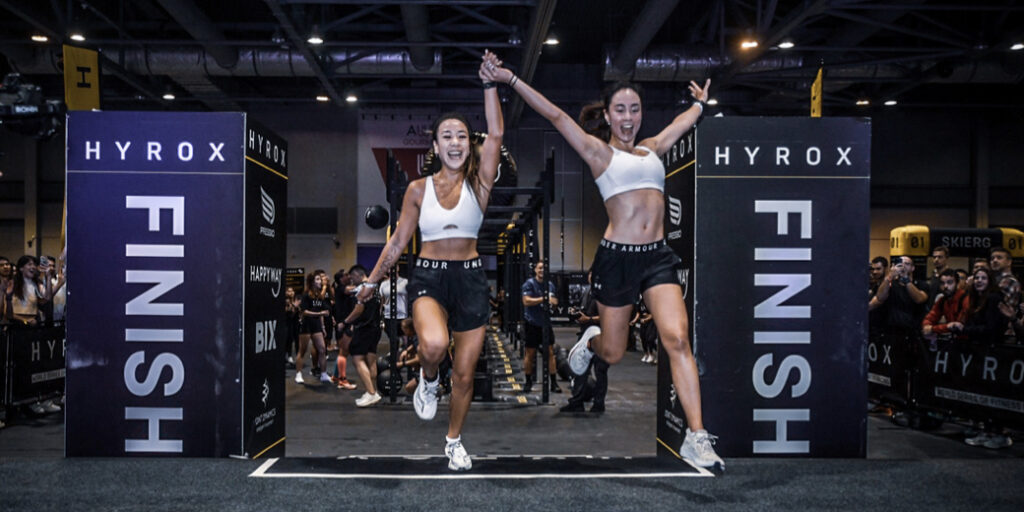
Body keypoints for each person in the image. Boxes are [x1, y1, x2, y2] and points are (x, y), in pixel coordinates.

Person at [483, 52, 724, 470]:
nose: (628, 117)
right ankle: (588, 342)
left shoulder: (653, 149)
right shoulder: (598, 153)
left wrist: (700, 105)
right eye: (620, 110)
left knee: (678, 340)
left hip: (657, 259)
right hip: (616, 260)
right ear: (609, 116)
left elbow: (680, 125)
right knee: (611, 353)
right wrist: (509, 79)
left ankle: (697, 437)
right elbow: (557, 115)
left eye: (634, 109)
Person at [356, 52, 504, 471]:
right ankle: (427, 377)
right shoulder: (418, 189)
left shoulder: (481, 182)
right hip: (429, 276)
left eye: (461, 136)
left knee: (465, 374)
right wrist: (371, 281)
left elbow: (495, 134)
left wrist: (490, 83)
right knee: (435, 345)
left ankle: (453, 440)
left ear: (467, 143)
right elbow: (400, 240)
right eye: (447, 136)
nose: (455, 143)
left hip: (472, 279)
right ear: (434, 145)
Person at [562, 269, 608, 413]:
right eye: (590, 275)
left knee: (600, 371)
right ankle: (577, 402)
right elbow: (586, 312)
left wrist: (588, 319)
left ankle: (599, 404)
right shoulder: (588, 292)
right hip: (585, 336)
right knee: (580, 370)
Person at [344, 266, 383, 407]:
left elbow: (358, 309)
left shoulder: (363, 288)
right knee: (371, 360)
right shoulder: (375, 287)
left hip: (364, 328)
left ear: (357, 274)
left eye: (352, 277)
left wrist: (345, 322)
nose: (352, 281)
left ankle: (371, 393)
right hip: (375, 327)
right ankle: (373, 391)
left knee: (357, 359)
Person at [520, 261, 562, 394]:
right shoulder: (529, 284)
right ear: (535, 270)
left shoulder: (550, 285)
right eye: (539, 268)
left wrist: (554, 303)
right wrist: (543, 299)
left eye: (544, 268)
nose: (542, 270)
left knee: (550, 353)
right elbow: (526, 301)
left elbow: (554, 302)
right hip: (532, 323)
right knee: (530, 354)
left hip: (545, 324)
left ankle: (554, 383)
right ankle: (528, 382)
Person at [296, 273, 331, 385]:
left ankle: (324, 374)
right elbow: (304, 311)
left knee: (322, 349)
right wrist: (319, 313)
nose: (320, 281)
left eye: (320, 279)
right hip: (306, 325)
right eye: (317, 279)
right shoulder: (306, 295)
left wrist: (323, 326)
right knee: (302, 351)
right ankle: (298, 374)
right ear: (312, 282)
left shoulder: (320, 296)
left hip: (316, 325)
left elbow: (324, 312)